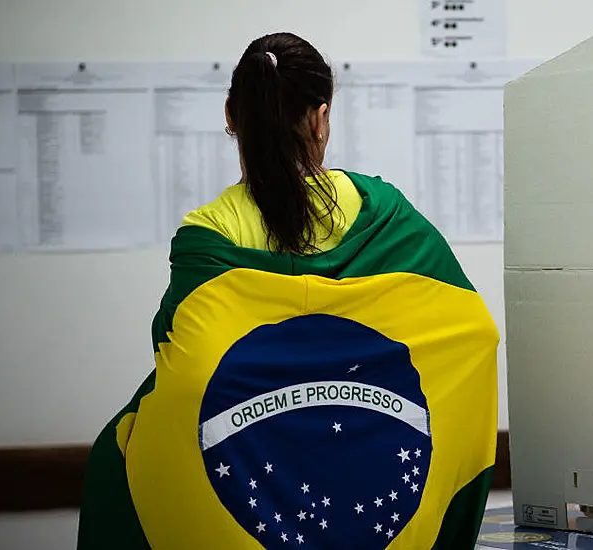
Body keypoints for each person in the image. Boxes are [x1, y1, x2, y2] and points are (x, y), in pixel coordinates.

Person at [77, 32, 500, 550]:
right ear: (321, 118)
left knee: (112, 458)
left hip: (242, 505)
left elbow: (181, 360)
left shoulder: (210, 234)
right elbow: (473, 332)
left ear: (232, 116)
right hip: (367, 499)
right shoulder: (381, 212)